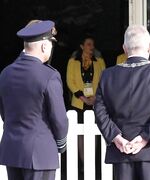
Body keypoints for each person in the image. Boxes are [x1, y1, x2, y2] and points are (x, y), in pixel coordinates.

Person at [94, 25, 150, 180]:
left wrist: (116, 137)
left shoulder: (107, 76)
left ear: (125, 48)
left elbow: (99, 111)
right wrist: (145, 136)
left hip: (122, 150)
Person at [0, 20, 68, 180]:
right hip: (40, 153)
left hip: (13, 152)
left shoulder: (5, 73)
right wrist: (61, 143)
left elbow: (5, 113)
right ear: (44, 46)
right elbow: (59, 119)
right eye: (51, 43)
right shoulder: (49, 76)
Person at [66, 35, 105, 178]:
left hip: (95, 102)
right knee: (80, 134)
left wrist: (96, 98)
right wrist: (82, 97)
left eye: (92, 44)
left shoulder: (99, 61)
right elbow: (70, 81)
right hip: (79, 103)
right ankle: (84, 163)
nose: (91, 47)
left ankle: (91, 161)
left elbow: (104, 79)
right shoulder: (73, 61)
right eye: (89, 44)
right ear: (82, 46)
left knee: (94, 133)